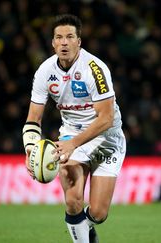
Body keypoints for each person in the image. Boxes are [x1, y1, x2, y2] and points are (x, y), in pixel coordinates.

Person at [22, 14, 126, 243]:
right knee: (73, 201)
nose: (64, 42)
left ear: (79, 41)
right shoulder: (44, 72)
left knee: (98, 213)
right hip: (71, 134)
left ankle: (86, 227)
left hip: (107, 139)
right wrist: (30, 148)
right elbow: (33, 119)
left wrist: (73, 143)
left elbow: (106, 118)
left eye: (70, 37)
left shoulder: (94, 69)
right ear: (53, 42)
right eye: (59, 37)